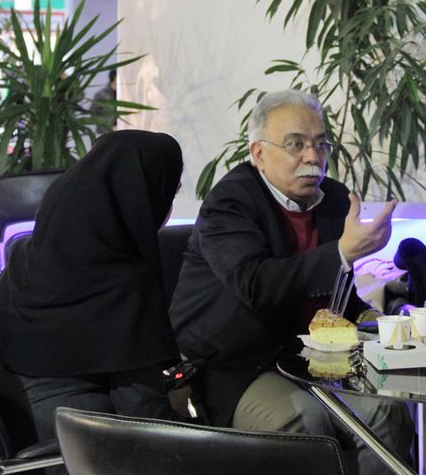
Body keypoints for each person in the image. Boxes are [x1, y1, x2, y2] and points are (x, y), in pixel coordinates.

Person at [169, 90, 411, 474]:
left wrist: (375, 320)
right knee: (301, 422)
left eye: (320, 144)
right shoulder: (230, 203)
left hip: (313, 359)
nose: (313, 157)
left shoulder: (333, 199)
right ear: (259, 154)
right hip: (236, 364)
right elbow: (255, 284)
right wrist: (342, 252)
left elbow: (334, 291)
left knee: (385, 410)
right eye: (296, 144)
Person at [0, 130, 183, 458]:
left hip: (15, 443)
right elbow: (146, 421)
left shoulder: (26, 257)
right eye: (170, 190)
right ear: (144, 197)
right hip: (80, 452)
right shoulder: (124, 287)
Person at [90, 68, 118, 135]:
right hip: (105, 132)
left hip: (122, 129)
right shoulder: (101, 94)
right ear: (114, 78)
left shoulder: (124, 94)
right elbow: (93, 112)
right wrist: (106, 124)